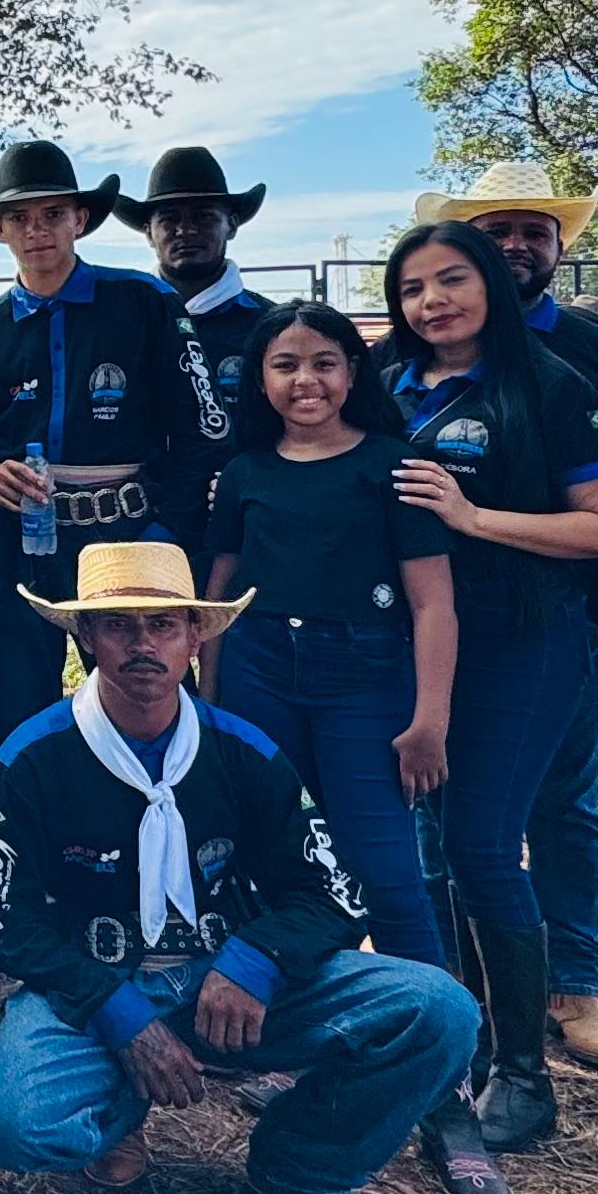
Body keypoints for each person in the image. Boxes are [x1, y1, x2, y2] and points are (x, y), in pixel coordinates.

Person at [0, 543, 479, 1194]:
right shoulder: (34, 755)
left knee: (439, 1010)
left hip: (227, 982)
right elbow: (0, 915)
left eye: (163, 625)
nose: (142, 645)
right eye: (118, 625)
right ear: (84, 638)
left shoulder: (243, 750)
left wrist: (254, 960)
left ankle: (306, 1172)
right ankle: (120, 1103)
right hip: (96, 986)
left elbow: (331, 890)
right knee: (8, 1118)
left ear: (196, 637)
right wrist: (118, 1014)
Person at [374, 220, 598, 1194]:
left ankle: (524, 1074)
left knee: (483, 844)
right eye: (413, 288)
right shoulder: (387, 386)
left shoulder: (551, 386)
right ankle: (456, 1049)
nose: (433, 301)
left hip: (522, 641)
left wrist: (475, 518)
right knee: (426, 850)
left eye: (452, 280)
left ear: (489, 282)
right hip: (408, 645)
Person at [418, 159, 598, 1080]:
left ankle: (572, 988)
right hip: (431, 632)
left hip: (553, 625)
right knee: (446, 826)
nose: (516, 246)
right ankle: (459, 1004)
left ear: (558, 246)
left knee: (559, 804)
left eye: (534, 232)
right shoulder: (403, 372)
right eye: (498, 231)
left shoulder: (589, 360)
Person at [0, 139, 227, 745]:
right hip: (25, 541)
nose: (36, 230)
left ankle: (164, 801)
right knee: (19, 700)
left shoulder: (146, 302)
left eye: (52, 214)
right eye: (19, 217)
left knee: (147, 695)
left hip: (131, 529)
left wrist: (166, 530)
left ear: (81, 218)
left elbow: (200, 430)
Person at [200, 299, 456, 976]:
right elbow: (220, 596)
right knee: (274, 858)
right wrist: (209, 701)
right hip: (257, 671)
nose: (305, 381)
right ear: (260, 380)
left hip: (365, 680)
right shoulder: (244, 472)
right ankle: (300, 1018)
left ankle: (436, 1028)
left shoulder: (394, 466)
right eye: (285, 365)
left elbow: (433, 603)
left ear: (352, 373)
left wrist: (429, 720)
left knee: (383, 867)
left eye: (324, 363)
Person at [119, 146, 273, 444]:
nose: (185, 230)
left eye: (203, 216)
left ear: (231, 225)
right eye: (169, 218)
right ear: (148, 232)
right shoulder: (121, 321)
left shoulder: (272, 326)